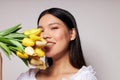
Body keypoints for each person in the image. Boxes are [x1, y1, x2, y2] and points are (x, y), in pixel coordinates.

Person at [17, 7, 97, 80]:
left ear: (72, 34)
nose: (44, 35)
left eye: (54, 28)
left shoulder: (84, 78)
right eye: (41, 31)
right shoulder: (28, 77)